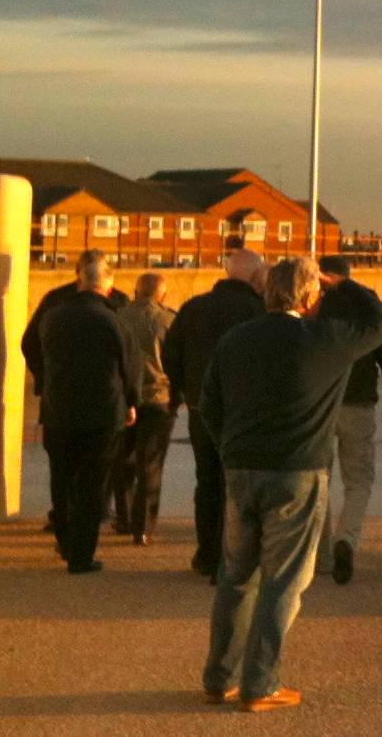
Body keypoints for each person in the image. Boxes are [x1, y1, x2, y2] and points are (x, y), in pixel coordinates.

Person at [198, 257, 382, 712]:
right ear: (311, 299)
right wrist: (345, 284)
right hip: (296, 471)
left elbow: (209, 403)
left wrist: (230, 446)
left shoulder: (236, 340)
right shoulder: (324, 338)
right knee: (283, 580)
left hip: (241, 469)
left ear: (266, 293)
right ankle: (260, 683)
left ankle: (219, 676)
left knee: (236, 575)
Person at [32, 250, 140, 574]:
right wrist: (131, 402)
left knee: (61, 478)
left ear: (80, 280)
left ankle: (65, 542)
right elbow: (129, 367)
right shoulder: (113, 320)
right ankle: (82, 555)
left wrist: (44, 380)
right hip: (102, 412)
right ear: (107, 286)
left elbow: (32, 346)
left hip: (58, 408)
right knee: (94, 483)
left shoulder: (53, 314)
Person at [163, 248, 267, 578]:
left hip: (200, 409)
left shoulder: (194, 307)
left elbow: (170, 354)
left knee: (206, 481)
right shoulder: (258, 310)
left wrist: (182, 389)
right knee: (237, 484)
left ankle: (206, 553)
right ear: (254, 277)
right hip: (244, 412)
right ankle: (232, 557)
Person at [314, 255, 382, 585]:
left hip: (323, 404)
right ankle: (346, 539)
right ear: (348, 276)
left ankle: (321, 556)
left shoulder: (316, 311)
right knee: (359, 479)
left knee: (319, 480)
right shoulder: (367, 316)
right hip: (359, 404)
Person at [110, 271, 177, 544]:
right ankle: (143, 526)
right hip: (159, 398)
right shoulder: (169, 319)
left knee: (122, 461)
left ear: (136, 292)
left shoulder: (119, 318)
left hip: (124, 398)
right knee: (149, 465)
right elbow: (175, 359)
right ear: (162, 295)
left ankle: (124, 517)